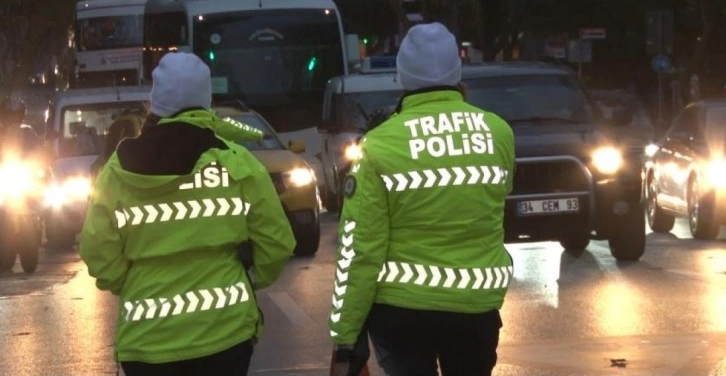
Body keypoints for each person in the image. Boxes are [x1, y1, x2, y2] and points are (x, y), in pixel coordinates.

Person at [79, 52, 296, 375]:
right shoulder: (236, 162)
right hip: (225, 336)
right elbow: (277, 242)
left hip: (147, 345)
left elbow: (97, 252)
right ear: (205, 98)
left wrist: (135, 283)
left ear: (155, 102)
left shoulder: (117, 169)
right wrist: (247, 281)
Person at [328, 23, 516, 376]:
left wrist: (345, 333)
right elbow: (497, 200)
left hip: (402, 313)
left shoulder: (379, 145)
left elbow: (359, 247)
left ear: (402, 76)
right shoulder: (499, 133)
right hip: (476, 307)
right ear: (456, 70)